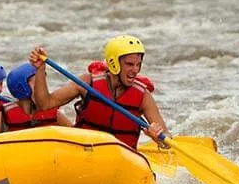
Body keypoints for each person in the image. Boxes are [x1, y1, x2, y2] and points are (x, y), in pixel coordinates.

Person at [28, 35, 168, 149]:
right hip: (85, 153)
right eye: (129, 64)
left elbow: (167, 142)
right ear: (114, 63)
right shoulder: (87, 83)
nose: (135, 70)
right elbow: (45, 104)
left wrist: (157, 137)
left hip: (121, 162)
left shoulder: (143, 96)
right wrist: (40, 69)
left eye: (138, 64)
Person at [0, 63, 72, 133]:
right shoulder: (2, 117)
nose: (42, 88)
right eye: (37, 84)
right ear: (22, 88)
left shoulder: (55, 114)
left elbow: (76, 134)